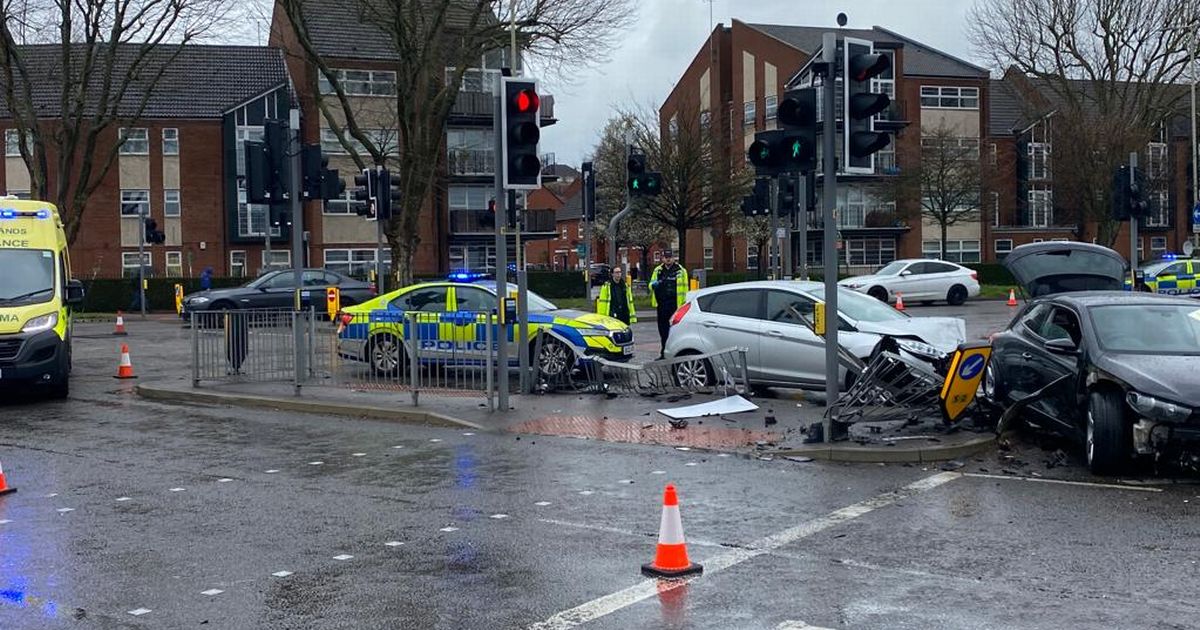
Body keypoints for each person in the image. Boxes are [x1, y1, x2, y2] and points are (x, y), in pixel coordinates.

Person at [649, 250, 689, 358]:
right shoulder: (658, 270)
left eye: (670, 257)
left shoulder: (681, 271)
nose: (668, 259)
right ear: (662, 258)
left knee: (676, 330)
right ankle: (664, 353)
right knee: (663, 330)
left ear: (674, 258)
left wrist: (684, 304)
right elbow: (651, 285)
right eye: (666, 257)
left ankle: (676, 353)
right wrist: (654, 285)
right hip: (662, 304)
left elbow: (686, 288)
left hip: (675, 305)